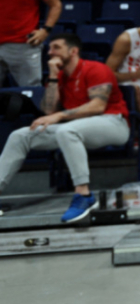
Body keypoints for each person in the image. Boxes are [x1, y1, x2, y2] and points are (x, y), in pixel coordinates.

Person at [0, 33, 130, 222]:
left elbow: (97, 106)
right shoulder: (60, 76)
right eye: (50, 48)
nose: (50, 52)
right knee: (21, 135)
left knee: (66, 130)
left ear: (73, 51)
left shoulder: (96, 69)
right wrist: (52, 77)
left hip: (112, 123)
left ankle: (83, 195)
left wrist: (60, 115)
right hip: (74, 128)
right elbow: (47, 110)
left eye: (56, 47)